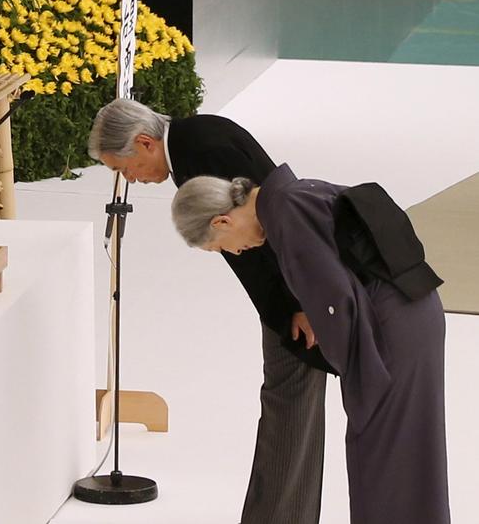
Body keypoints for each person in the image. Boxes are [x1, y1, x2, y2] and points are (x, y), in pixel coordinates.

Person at [88, 98, 329, 524]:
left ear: (144, 142)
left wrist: (300, 303)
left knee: (289, 411)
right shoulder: (198, 137)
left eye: (123, 168)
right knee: (291, 411)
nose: (129, 179)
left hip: (292, 297)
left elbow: (271, 231)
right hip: (290, 293)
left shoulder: (202, 153)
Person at [171, 168, 449, 524]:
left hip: (391, 327)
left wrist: (357, 373)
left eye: (222, 247)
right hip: (413, 307)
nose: (237, 252)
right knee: (412, 447)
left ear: (222, 221)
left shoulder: (286, 214)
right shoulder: (294, 196)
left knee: (382, 453)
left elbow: (336, 301)